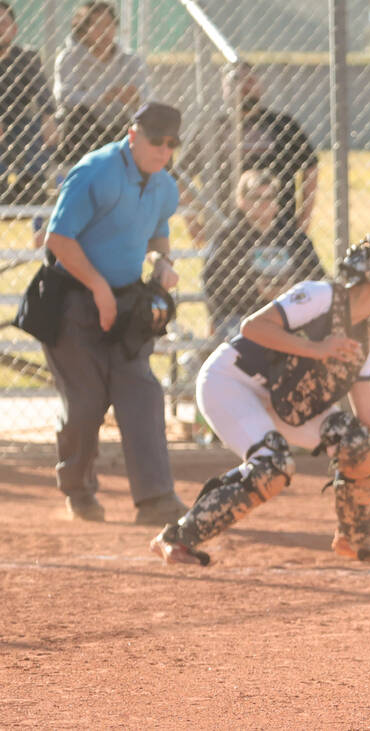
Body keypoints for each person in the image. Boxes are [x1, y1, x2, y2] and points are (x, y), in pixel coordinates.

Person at [149, 235, 370, 567]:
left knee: (358, 443)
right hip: (231, 382)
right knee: (273, 466)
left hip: (285, 401)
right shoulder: (321, 295)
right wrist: (316, 349)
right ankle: (176, 539)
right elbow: (253, 328)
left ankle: (355, 538)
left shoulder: (361, 341)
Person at [42, 101, 188, 525]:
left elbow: (158, 231)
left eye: (171, 143)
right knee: (86, 403)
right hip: (71, 299)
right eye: (155, 140)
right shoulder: (96, 172)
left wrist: (163, 263)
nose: (163, 150)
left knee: (142, 393)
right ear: (132, 135)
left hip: (127, 302)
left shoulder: (165, 185)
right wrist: (100, 288)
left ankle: (156, 498)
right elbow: (58, 240)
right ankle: (78, 490)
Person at [176, 62, 318, 248]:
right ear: (223, 89)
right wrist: (194, 224)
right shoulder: (210, 129)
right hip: (226, 227)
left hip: (279, 228)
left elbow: (311, 168)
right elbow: (181, 176)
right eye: (235, 81)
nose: (243, 86)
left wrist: (303, 219)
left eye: (250, 80)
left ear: (261, 86)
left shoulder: (283, 125)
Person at [201, 169, 325, 339]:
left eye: (268, 198)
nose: (263, 203)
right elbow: (214, 283)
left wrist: (290, 288)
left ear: (276, 202)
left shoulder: (292, 237)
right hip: (243, 316)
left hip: (289, 310)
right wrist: (256, 291)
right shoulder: (229, 238)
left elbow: (317, 276)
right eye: (256, 198)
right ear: (242, 201)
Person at [53, 2, 150, 168]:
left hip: (120, 125)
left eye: (109, 25)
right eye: (97, 26)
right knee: (78, 115)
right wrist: (102, 96)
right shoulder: (69, 58)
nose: (105, 31)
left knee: (149, 122)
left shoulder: (130, 60)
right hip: (84, 128)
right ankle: (78, 172)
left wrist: (136, 98)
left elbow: (148, 96)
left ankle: (155, 181)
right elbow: (64, 96)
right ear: (83, 30)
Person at [0, 1, 57, 205]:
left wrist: (49, 120)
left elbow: (44, 95)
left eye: (3, 23)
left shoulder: (27, 57)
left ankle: (31, 184)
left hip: (20, 124)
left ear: (14, 30)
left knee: (37, 128)